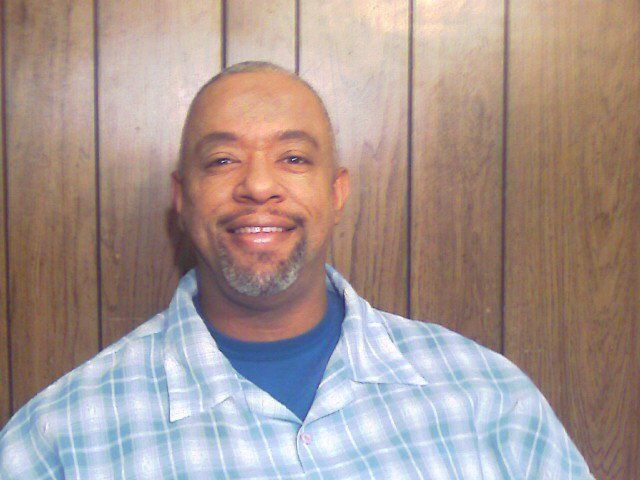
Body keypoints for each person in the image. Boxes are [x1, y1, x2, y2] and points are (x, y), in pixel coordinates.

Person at [0, 61, 594, 479]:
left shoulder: (488, 396)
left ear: (337, 193)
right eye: (222, 159)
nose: (259, 185)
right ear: (182, 199)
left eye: (292, 157)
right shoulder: (59, 439)